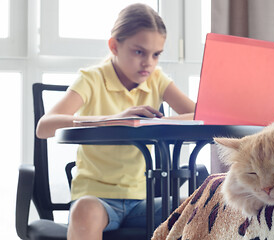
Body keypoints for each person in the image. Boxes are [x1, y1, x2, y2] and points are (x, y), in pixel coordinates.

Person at [36, 3, 195, 240]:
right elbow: (45, 126)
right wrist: (114, 120)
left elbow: (201, 115)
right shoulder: (91, 79)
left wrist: (157, 123)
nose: (148, 63)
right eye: (139, 52)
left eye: (156, 54)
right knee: (84, 211)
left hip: (145, 201)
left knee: (201, 205)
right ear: (114, 46)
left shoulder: (157, 79)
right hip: (97, 200)